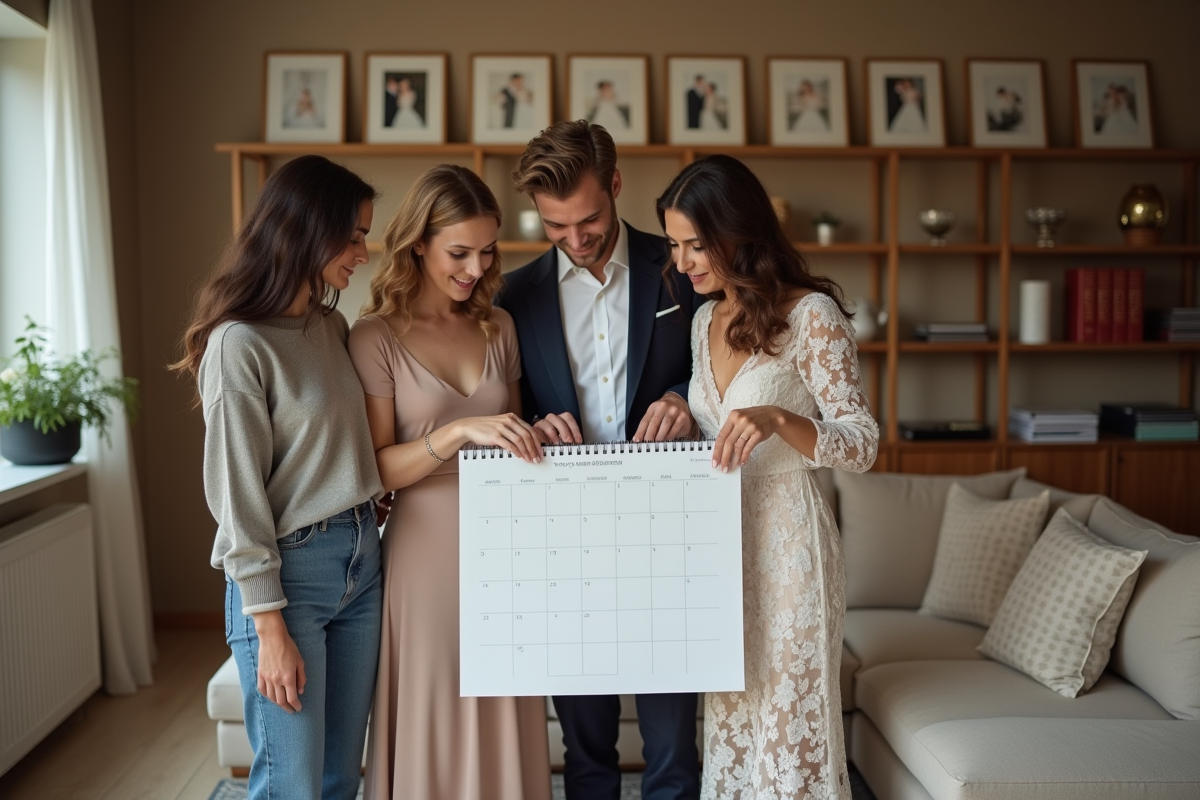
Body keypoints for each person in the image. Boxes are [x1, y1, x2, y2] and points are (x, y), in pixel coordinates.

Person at [656, 154, 879, 799]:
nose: (683, 262)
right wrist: (679, 410)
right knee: (735, 728)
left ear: (741, 234)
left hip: (790, 547)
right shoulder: (703, 321)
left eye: (697, 245)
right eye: (675, 246)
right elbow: (715, 428)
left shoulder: (813, 316)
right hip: (723, 547)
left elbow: (862, 444)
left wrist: (781, 417)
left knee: (790, 729)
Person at [499, 120, 702, 800]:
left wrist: (683, 397)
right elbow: (502, 403)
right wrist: (532, 423)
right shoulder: (512, 296)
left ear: (616, 185)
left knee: (674, 745)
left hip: (671, 528)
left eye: (588, 219)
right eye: (555, 226)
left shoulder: (682, 269)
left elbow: (726, 370)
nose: (577, 240)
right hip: (565, 537)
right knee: (585, 748)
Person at [174, 155, 383, 800]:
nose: (363, 252)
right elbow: (237, 500)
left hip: (361, 565)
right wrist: (268, 626)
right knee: (291, 784)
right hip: (288, 580)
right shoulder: (238, 345)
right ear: (305, 231)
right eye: (352, 237)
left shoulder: (331, 326)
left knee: (340, 776)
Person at [349, 164, 551, 800]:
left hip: (506, 544)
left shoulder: (500, 327)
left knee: (506, 701)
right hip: (424, 552)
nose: (475, 267)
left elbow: (514, 437)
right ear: (418, 245)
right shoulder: (374, 336)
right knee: (432, 706)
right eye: (459, 252)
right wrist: (458, 433)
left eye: (487, 250)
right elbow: (378, 467)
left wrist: (544, 434)